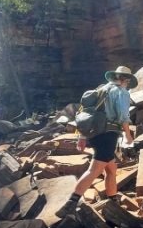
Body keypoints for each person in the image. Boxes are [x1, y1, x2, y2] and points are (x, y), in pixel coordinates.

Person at [56, 65, 137, 217]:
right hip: (108, 135)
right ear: (125, 79)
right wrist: (128, 135)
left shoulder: (100, 89)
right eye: (127, 80)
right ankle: (70, 205)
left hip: (95, 134)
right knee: (94, 170)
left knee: (111, 169)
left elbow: (86, 113)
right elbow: (123, 117)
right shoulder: (121, 92)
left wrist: (82, 136)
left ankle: (113, 202)